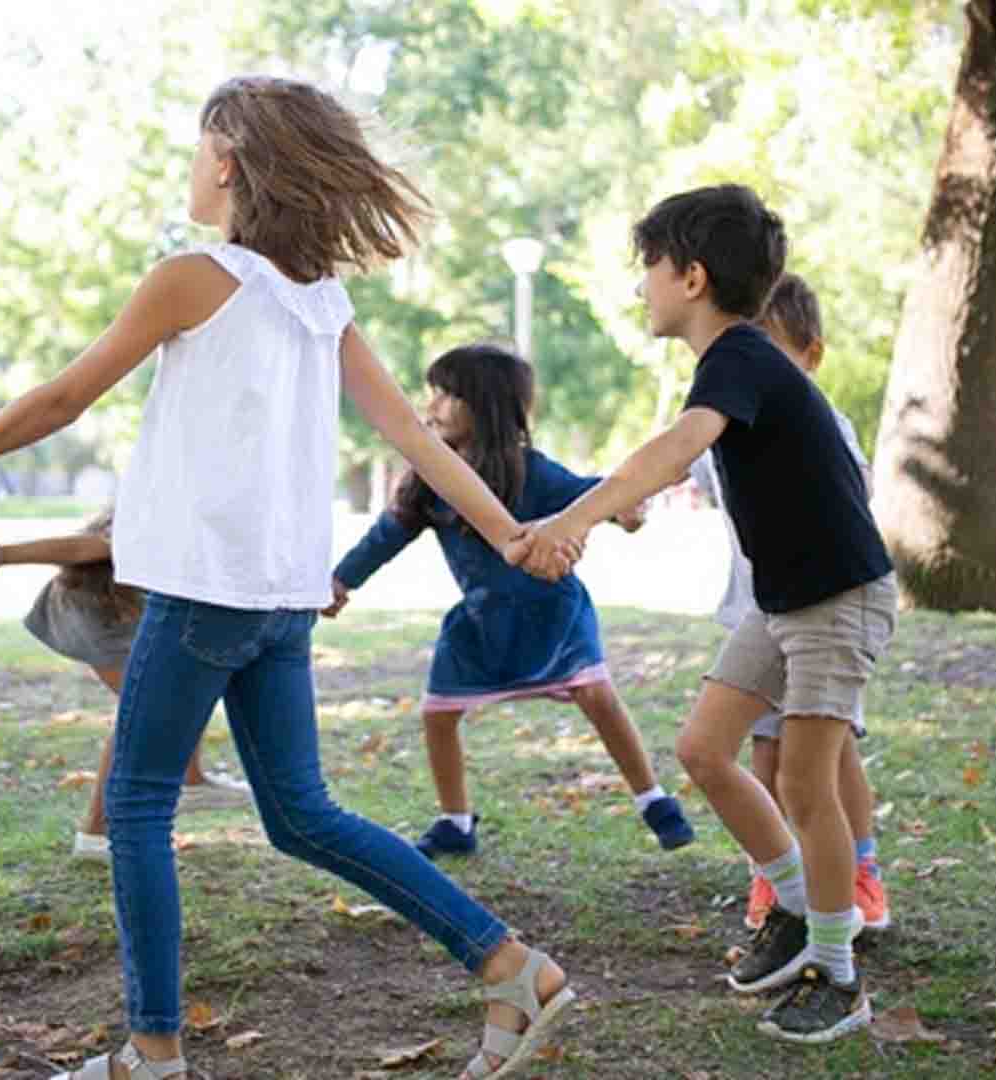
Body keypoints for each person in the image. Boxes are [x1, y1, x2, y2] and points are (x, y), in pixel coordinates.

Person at [0, 75, 581, 1080]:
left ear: (227, 157)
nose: (189, 161)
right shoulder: (320, 302)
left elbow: (63, 398)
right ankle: (510, 965)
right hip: (279, 604)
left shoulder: (193, 276)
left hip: (204, 596)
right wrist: (510, 528)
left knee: (135, 807)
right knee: (302, 813)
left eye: (197, 143)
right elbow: (415, 442)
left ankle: (153, 1052)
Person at [518, 184, 896, 1043]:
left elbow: (681, 443)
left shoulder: (741, 356)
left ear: (691, 276)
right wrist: (605, 503)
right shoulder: (735, 366)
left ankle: (838, 971)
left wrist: (573, 522)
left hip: (838, 597)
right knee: (702, 749)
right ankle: (799, 911)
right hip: (784, 597)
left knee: (804, 781)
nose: (641, 286)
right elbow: (683, 458)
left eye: (648, 268)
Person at [325, 343, 693, 857]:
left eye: (446, 395)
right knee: (438, 713)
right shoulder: (431, 481)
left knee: (598, 697)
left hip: (554, 617)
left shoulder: (531, 472)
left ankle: (653, 799)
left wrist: (626, 507)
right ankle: (455, 822)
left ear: (486, 406)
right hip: (481, 627)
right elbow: (387, 535)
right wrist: (342, 580)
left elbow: (592, 495)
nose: (431, 408)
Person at [687, 273, 890, 935]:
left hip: (824, 602)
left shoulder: (818, 418)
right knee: (758, 758)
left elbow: (846, 504)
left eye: (770, 352)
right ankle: (786, 881)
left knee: (818, 765)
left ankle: (850, 887)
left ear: (810, 355)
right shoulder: (718, 405)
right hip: (759, 606)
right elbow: (682, 461)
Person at [0, 505, 254, 861]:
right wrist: (2, 554)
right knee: (146, 710)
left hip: (131, 599)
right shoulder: (167, 498)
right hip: (97, 607)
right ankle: (95, 833)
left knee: (184, 688)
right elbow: (84, 548)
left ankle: (191, 781)